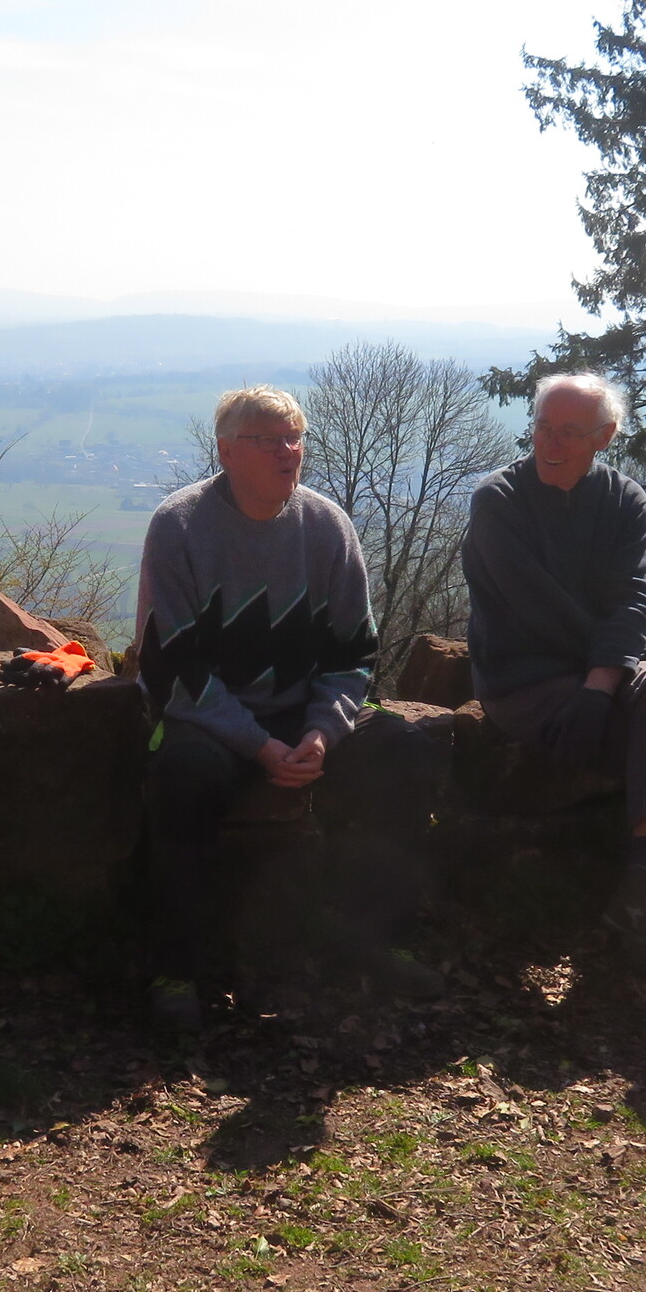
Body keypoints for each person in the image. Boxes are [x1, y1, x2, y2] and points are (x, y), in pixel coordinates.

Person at [135, 386, 449, 1028]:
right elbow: (173, 665)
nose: (288, 452)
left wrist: (322, 732)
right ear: (227, 452)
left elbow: (354, 653)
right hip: (212, 720)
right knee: (182, 778)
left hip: (305, 715)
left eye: (294, 438)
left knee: (404, 753)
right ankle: (177, 965)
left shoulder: (326, 526)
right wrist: (258, 744)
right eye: (268, 441)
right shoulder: (181, 525)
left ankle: (377, 938)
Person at [462, 373, 646, 983]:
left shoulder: (623, 499)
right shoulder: (499, 501)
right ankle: (639, 889)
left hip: (598, 674)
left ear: (605, 436)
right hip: (522, 678)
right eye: (543, 427)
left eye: (569, 432)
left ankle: (642, 886)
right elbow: (535, 609)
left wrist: (602, 680)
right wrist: (624, 654)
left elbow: (634, 597)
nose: (551, 443)